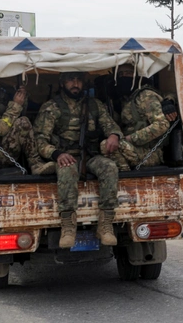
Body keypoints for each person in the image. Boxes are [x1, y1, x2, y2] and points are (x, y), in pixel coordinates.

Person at [33, 72, 123, 248]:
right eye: (70, 79)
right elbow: (39, 139)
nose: (75, 84)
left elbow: (110, 125)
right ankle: (68, 226)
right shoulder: (52, 107)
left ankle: (105, 225)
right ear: (62, 83)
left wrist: (114, 135)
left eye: (79, 80)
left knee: (110, 167)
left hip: (90, 155)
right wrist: (57, 154)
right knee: (67, 169)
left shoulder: (94, 105)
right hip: (65, 156)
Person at [0, 76, 55, 175]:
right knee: (22, 122)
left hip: (3, 151)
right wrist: (16, 105)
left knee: (22, 122)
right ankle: (35, 164)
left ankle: (36, 164)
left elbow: (14, 119)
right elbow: (1, 128)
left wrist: (21, 100)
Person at [103, 64, 176, 171]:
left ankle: (126, 177)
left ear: (137, 76)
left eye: (128, 73)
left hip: (151, 153)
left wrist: (130, 139)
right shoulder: (125, 99)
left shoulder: (146, 95)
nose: (124, 77)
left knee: (107, 145)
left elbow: (162, 124)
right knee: (106, 145)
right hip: (133, 149)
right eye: (120, 74)